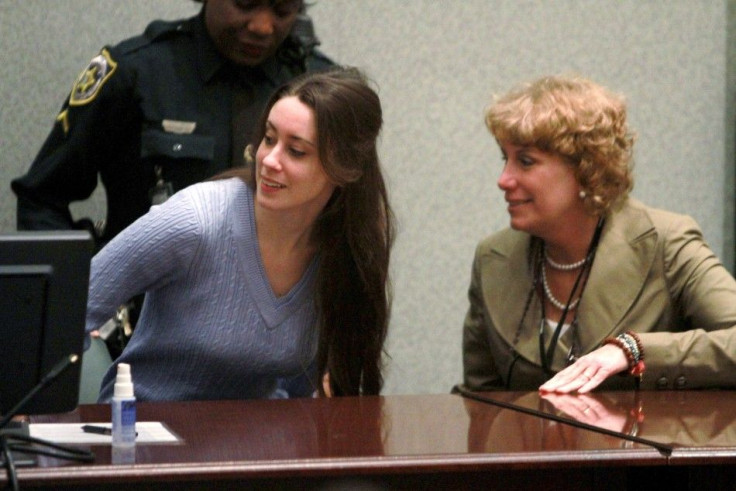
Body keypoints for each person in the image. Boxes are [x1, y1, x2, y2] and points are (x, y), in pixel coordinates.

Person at [85, 67, 394, 401]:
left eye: (297, 151)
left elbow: (317, 387)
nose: (269, 160)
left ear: (345, 169)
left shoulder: (343, 249)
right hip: (149, 434)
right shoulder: (196, 220)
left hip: (259, 441)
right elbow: (73, 307)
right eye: (269, 139)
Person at [461, 75, 736, 393]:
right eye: (504, 159)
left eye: (525, 161)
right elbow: (479, 401)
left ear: (586, 167)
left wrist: (632, 350)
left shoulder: (666, 242)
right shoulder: (493, 258)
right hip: (522, 443)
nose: (503, 179)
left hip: (637, 443)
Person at [11, 0, 332, 246]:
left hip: (276, 318)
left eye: (282, 10)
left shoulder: (320, 91)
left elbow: (353, 219)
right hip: (146, 316)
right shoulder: (138, 73)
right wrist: (85, 295)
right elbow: (42, 199)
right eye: (245, 3)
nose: (263, 26)